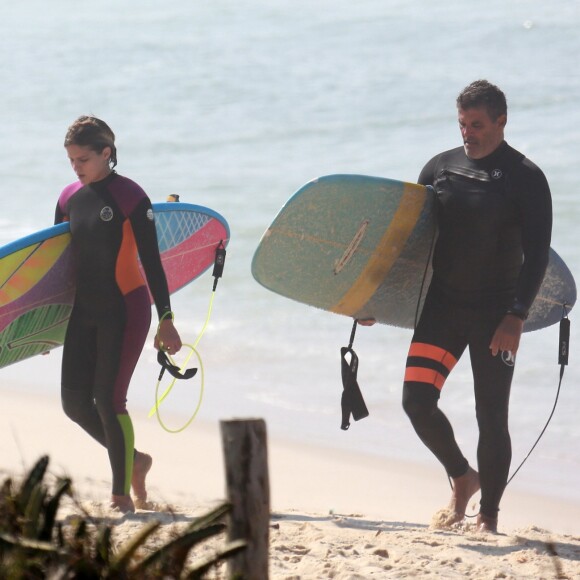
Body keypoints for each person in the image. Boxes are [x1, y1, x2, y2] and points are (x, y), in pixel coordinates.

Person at [362, 80, 552, 533]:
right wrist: (376, 299)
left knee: (491, 416)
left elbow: (538, 256)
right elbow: (411, 243)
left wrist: (516, 316)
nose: (469, 133)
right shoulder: (441, 168)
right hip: (443, 309)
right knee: (417, 402)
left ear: (502, 121)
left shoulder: (526, 178)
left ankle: (489, 516)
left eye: (478, 124)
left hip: (495, 317)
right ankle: (463, 476)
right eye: (463, 124)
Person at [54, 116, 183, 513]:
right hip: (83, 311)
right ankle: (136, 460)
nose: (76, 167)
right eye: (71, 160)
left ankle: (120, 495)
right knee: (75, 404)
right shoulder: (67, 198)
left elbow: (152, 262)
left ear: (106, 154)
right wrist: (45, 327)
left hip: (124, 309)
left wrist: (166, 318)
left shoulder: (130, 196)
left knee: (110, 399)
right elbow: (58, 268)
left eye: (83, 159)